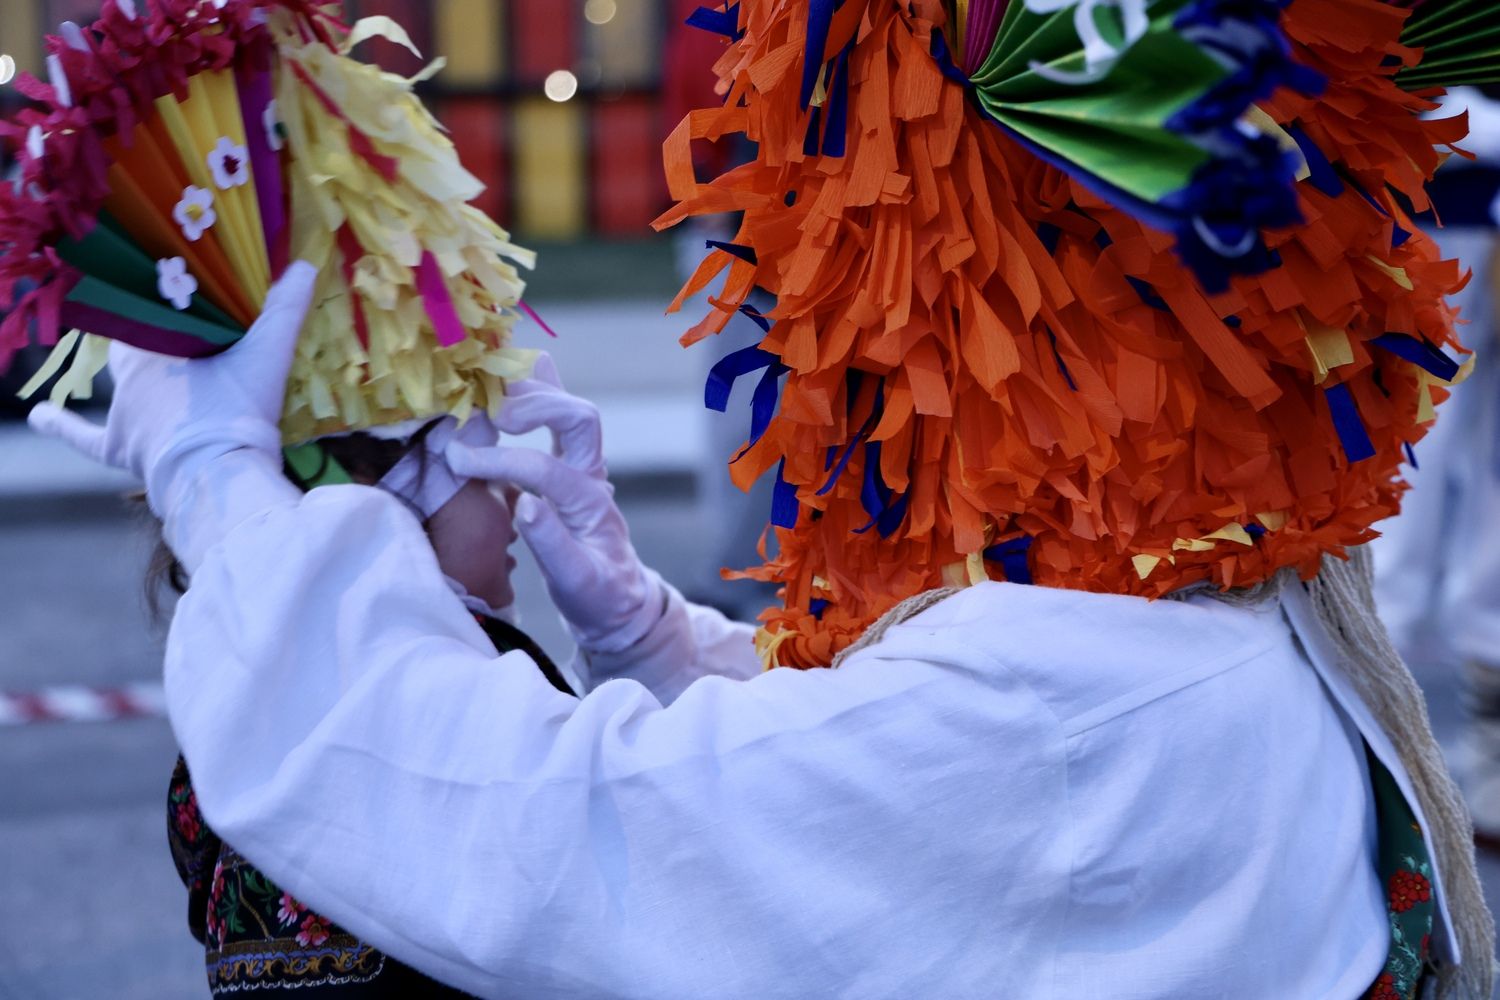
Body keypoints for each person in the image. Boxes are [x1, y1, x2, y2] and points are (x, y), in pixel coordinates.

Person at [24, 4, 1500, 1000]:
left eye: (833, 255)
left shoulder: (1064, 708)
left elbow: (536, 829)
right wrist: (657, 642)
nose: (791, 324)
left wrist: (219, 485)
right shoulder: (1209, 618)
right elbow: (858, 804)